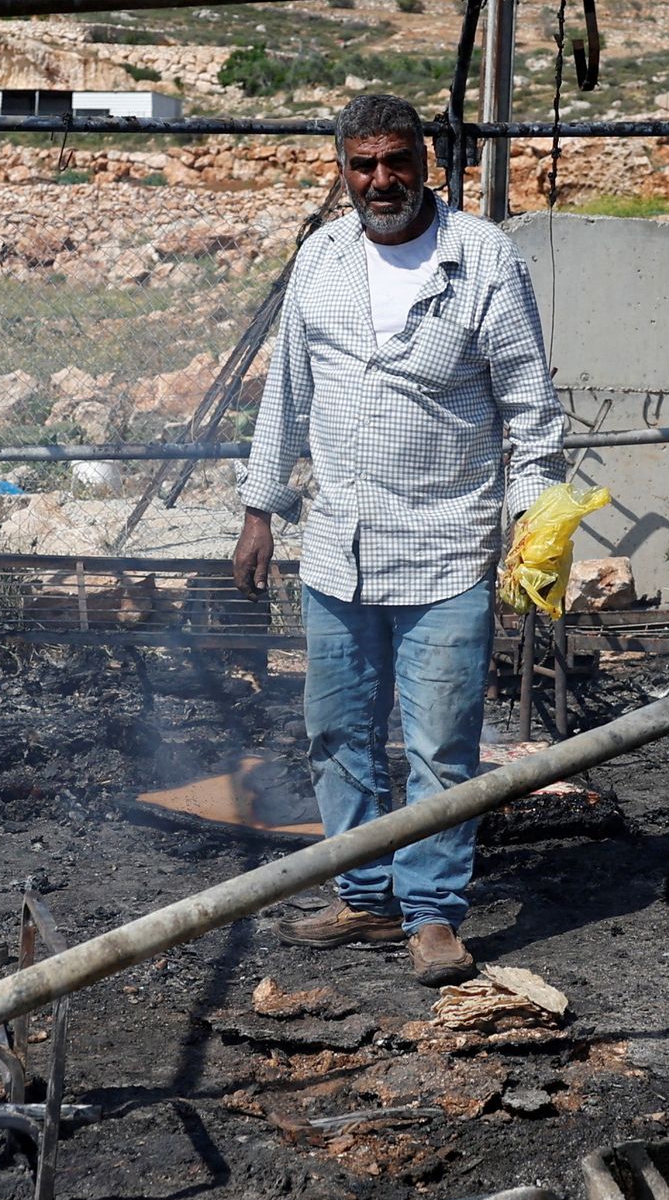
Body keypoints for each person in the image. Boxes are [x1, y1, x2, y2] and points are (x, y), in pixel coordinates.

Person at [235, 92, 567, 986]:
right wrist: (259, 509)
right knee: (337, 732)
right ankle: (366, 894)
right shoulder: (322, 260)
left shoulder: (483, 260)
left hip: (446, 547)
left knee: (441, 746)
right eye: (363, 164)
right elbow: (286, 395)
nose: (381, 180)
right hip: (338, 546)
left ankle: (432, 911)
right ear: (342, 170)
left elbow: (530, 412)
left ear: (427, 163)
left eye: (396, 161)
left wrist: (535, 524)